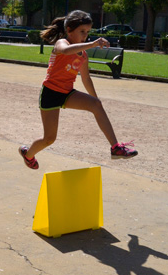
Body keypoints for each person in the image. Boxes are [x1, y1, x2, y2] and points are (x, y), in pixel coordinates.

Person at [19, 10, 138, 170]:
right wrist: (94, 43)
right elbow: (66, 51)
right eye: (82, 32)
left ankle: (115, 148)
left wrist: (96, 101)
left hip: (67, 93)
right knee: (49, 139)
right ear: (69, 30)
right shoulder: (62, 43)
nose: (86, 36)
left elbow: (86, 79)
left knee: (95, 105)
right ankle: (28, 154)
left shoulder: (83, 55)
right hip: (50, 93)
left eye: (88, 32)